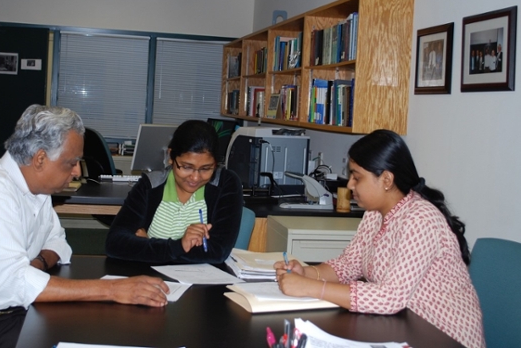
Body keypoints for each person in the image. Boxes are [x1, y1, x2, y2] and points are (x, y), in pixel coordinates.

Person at [0, 105, 169, 348]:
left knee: (102, 326)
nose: (77, 171)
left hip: (8, 313)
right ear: (40, 158)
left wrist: (35, 265)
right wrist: (113, 289)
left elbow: (58, 242)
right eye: (71, 162)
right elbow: (8, 287)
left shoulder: (36, 189)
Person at [274, 129, 485, 348]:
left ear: (386, 179)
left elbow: (389, 297)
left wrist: (309, 287)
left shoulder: (421, 218)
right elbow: (349, 264)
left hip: (442, 335)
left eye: (357, 177)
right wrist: (308, 272)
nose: (350, 185)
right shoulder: (374, 213)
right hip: (401, 328)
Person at [106, 120, 243, 264]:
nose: (195, 177)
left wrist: (148, 246)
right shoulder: (151, 185)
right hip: (151, 281)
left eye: (206, 168)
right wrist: (179, 246)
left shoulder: (225, 184)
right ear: (171, 157)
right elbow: (114, 244)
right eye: (186, 167)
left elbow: (217, 252)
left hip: (202, 282)